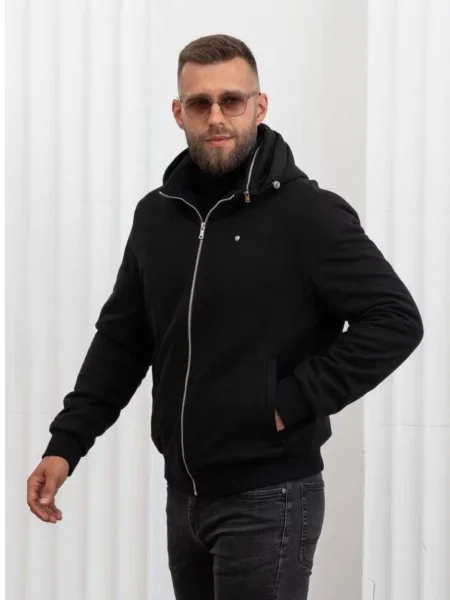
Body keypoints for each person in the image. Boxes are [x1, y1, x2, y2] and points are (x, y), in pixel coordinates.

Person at [26, 34, 424, 599]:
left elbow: (395, 319)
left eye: (232, 100)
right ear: (178, 113)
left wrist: (287, 403)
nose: (216, 117)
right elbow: (123, 341)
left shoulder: (308, 214)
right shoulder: (156, 216)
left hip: (270, 498)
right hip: (184, 497)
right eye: (199, 103)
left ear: (259, 107)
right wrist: (66, 444)